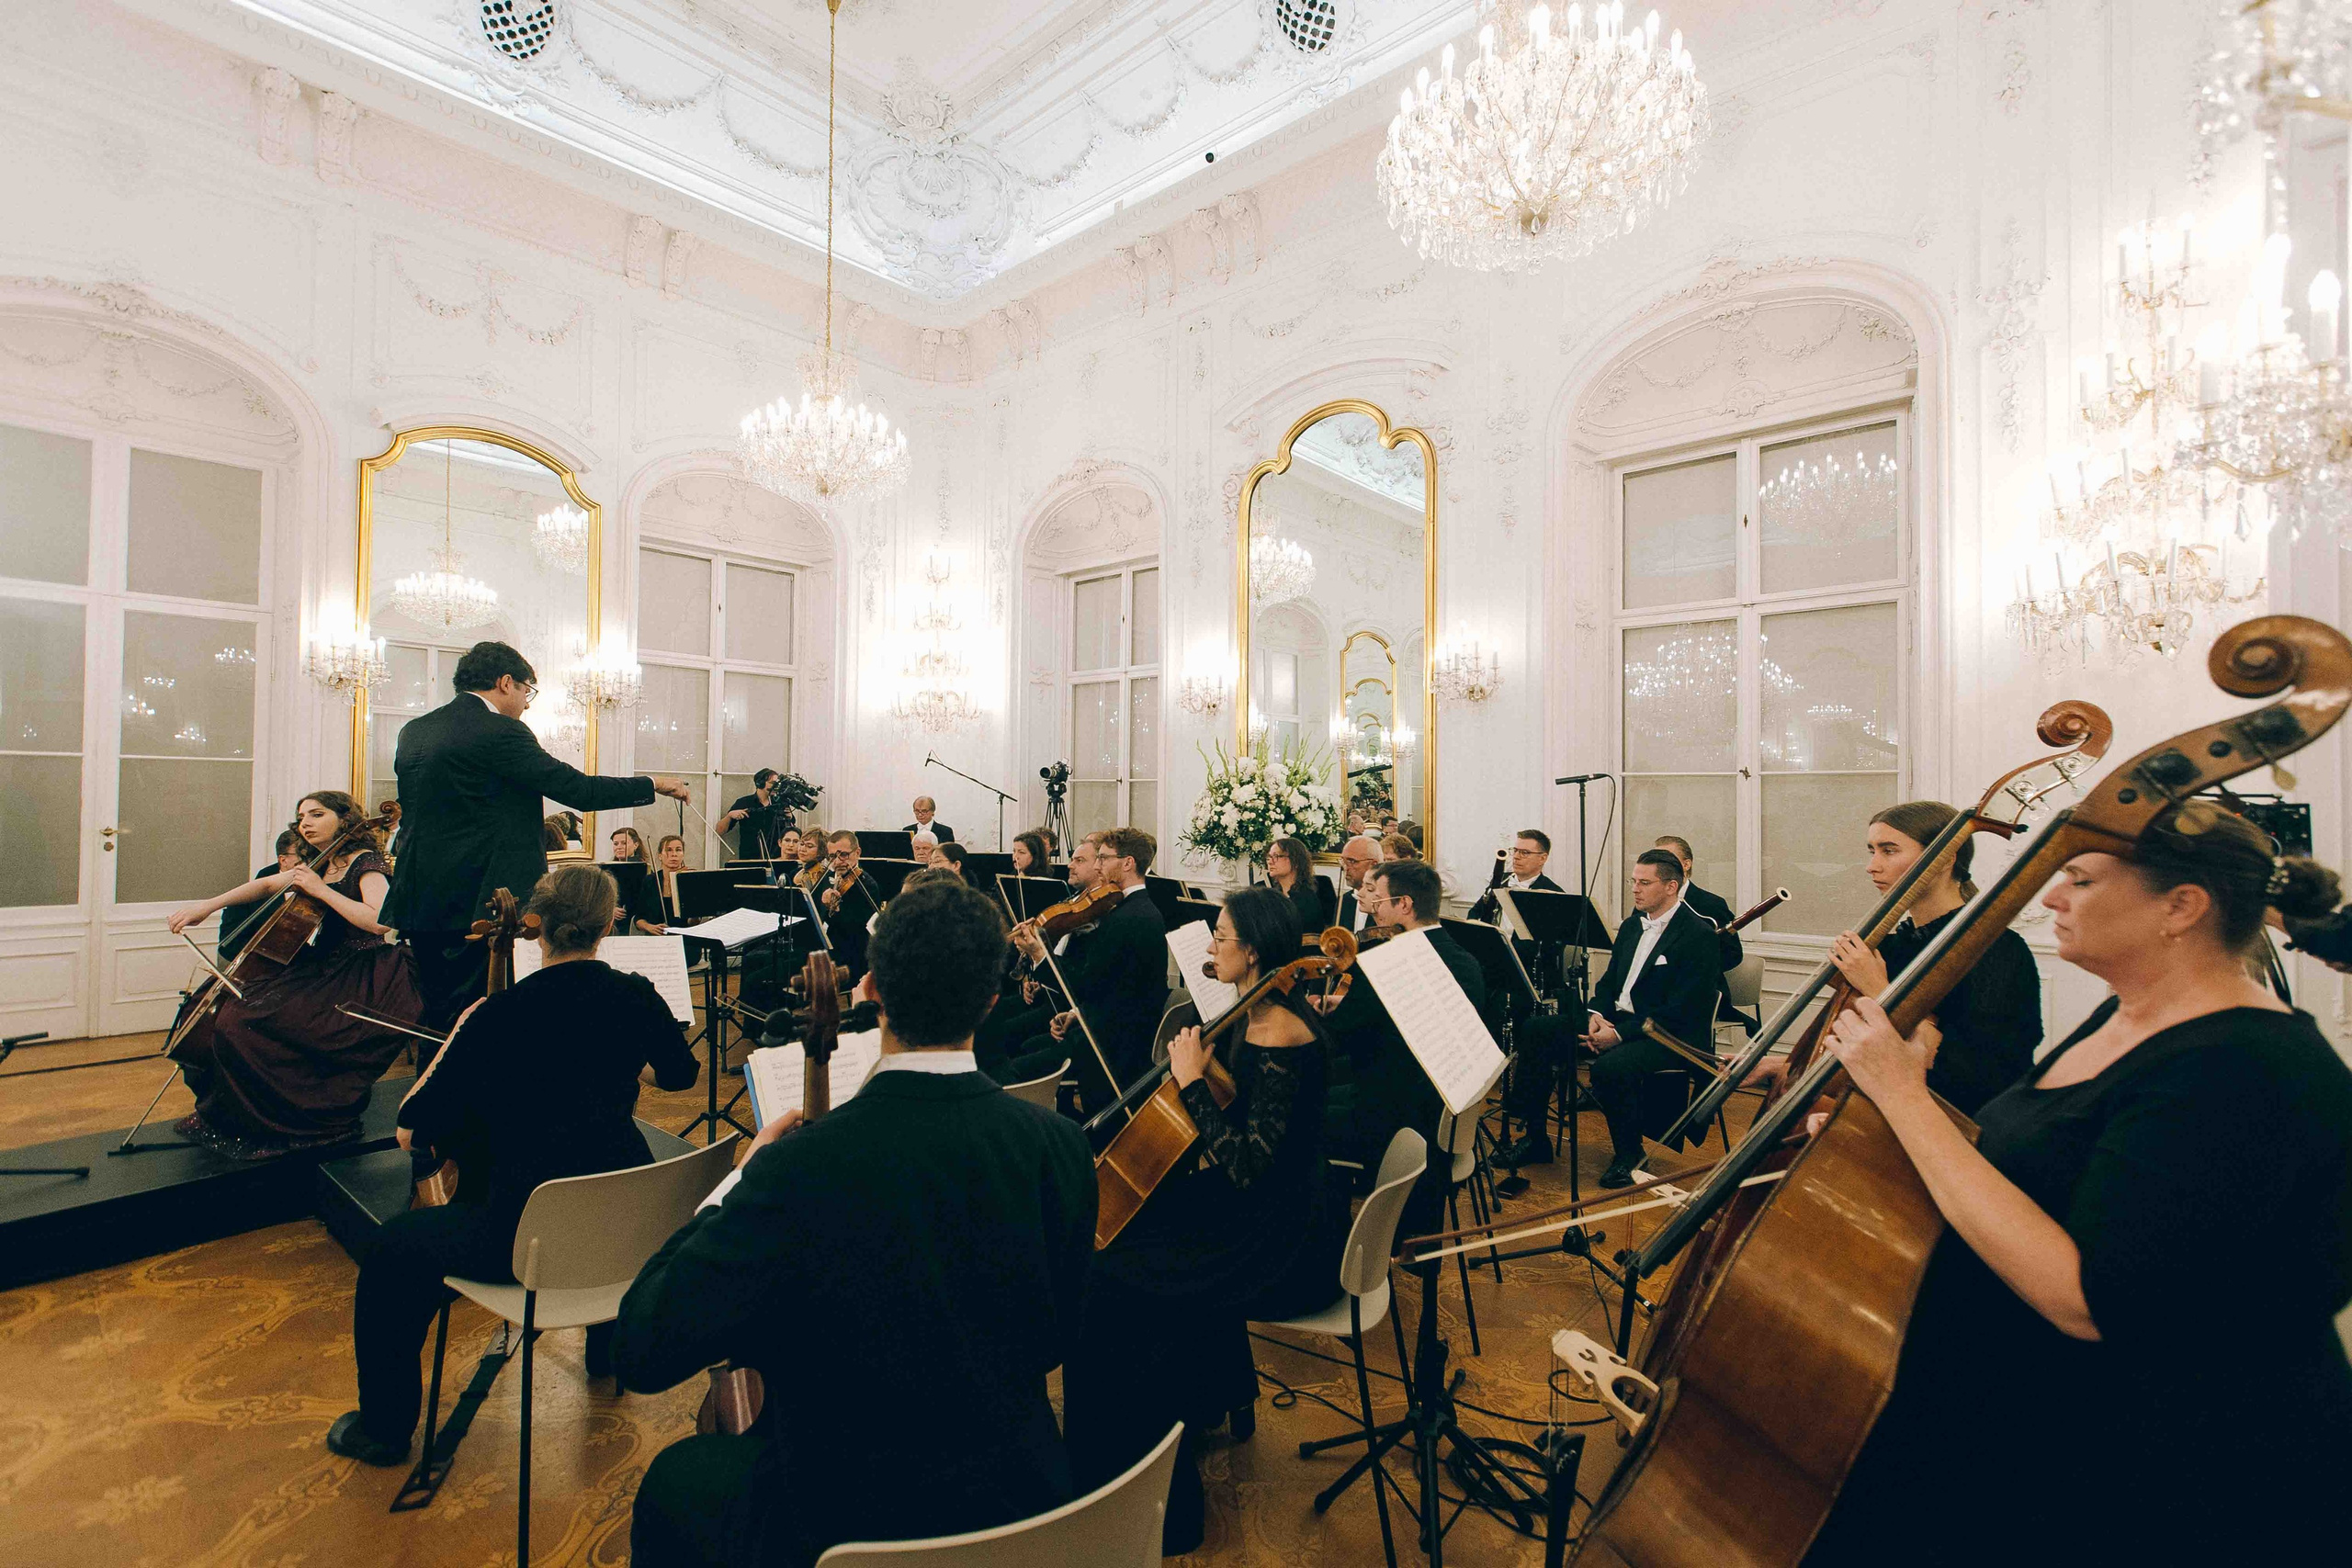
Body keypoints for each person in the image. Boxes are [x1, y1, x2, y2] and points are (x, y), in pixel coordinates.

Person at [1804, 802, 2352, 1566]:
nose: (2053, 897)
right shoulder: (2126, 1017)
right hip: (2040, 1421)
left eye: (2082, 879)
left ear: (2181, 907)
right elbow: (2023, 1164)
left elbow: (2089, 1297)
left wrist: (1902, 1095)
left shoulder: (2243, 1066)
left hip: (2164, 1477)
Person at [616, 879, 1092, 1568]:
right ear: (991, 1000)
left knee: (675, 1482)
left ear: (870, 988)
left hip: (849, 1516)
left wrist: (737, 1180)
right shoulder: (1061, 1145)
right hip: (1019, 1503)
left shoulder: (796, 1169)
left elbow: (643, 1343)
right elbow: (1055, 1338)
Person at [324, 863, 699, 1467]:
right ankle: (603, 1353)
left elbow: (410, 1129)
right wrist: (628, 1062)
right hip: (626, 1231)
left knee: (393, 1252)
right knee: (599, 1175)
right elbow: (679, 1075)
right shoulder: (635, 994)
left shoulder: (497, 1015)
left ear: (537, 926)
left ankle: (384, 1429)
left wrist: (456, 1040)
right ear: (608, 925)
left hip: (525, 1240)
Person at [1063, 886, 1344, 1554]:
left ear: (1253, 951)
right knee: (1135, 1227)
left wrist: (1190, 1079)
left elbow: (1247, 1165)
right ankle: (1200, 1394)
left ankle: (1142, 1477)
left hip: (1278, 1233)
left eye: (1220, 936)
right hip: (1262, 1203)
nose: (1212, 946)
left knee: (1112, 1274)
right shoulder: (1261, 1009)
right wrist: (1204, 1068)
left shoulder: (1279, 1030)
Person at [380, 640, 690, 1029]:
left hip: (420, 901)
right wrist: (654, 783)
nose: (527, 702)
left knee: (438, 1019)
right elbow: (579, 790)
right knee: (482, 1022)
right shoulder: (502, 731)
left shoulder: (415, 730)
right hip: (484, 904)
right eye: (528, 691)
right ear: (507, 682)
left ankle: (435, 1085)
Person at [164, 793, 424, 1161]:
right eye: (302, 816)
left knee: (247, 1023)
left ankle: (288, 1121)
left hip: (362, 971)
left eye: (317, 814)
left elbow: (380, 920)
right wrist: (207, 906)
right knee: (217, 1012)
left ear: (345, 818)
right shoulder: (322, 860)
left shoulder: (365, 863)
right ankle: (229, 1116)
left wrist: (319, 890)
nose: (306, 822)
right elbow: (267, 885)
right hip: (321, 965)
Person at [1748, 802, 2041, 1116]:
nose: (1871, 866)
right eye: (1871, 850)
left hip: (1949, 1129)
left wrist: (1879, 990)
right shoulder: (1894, 945)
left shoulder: (1996, 949)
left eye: (1889, 851)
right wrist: (1788, 1065)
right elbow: (1867, 1049)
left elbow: (1981, 1073)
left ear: (1944, 859)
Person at [1317, 858, 1483, 1233]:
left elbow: (1336, 1040)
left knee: (1300, 1118)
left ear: (1404, 905)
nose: (1373, 909)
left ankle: (1324, 1238)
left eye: (1380, 901)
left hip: (1389, 1120)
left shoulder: (1388, 963)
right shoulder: (1465, 961)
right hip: (1440, 1117)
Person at [1575, 849, 1728, 1188]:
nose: (1635, 889)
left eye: (1645, 882)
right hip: (1618, 1020)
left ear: (1671, 886)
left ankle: (1630, 1156)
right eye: (1634, 881)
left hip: (1669, 1035)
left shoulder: (1698, 935)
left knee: (1611, 1067)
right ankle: (1536, 1138)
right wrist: (1596, 1016)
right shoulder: (1632, 925)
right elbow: (1609, 983)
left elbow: (1682, 1010)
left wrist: (1618, 1036)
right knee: (1541, 1030)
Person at [1006, 828, 1167, 1110]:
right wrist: (1077, 1013)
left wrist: (1040, 954)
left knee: (1012, 1072)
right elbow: (1111, 984)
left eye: (1103, 858)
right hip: (1103, 1026)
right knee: (1025, 1047)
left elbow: (1083, 984)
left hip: (1110, 1046)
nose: (1096, 865)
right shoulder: (1132, 909)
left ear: (1128, 863)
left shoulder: (1128, 918)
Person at [977, 836, 1102, 1078]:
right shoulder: (1074, 901)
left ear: (1099, 866)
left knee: (1000, 1031)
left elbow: (1080, 979)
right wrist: (1034, 980)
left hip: (1065, 1006)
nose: (1070, 865)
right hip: (1050, 994)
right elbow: (1061, 955)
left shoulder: (1100, 912)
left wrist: (1039, 957)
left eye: (1079, 860)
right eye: (1071, 859)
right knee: (986, 1015)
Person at [1653, 833, 1746, 977]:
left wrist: (1693, 967)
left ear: (1686, 864)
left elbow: (1732, 955)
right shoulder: (1649, 902)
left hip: (1698, 988)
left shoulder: (1712, 904)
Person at [215, 829, 304, 961]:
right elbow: (229, 946)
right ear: (283, 860)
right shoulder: (247, 898)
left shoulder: (323, 882)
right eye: (302, 855)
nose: (309, 861)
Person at [818, 830, 884, 978]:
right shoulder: (828, 878)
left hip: (851, 956)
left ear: (857, 853)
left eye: (843, 855)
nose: (837, 861)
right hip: (827, 948)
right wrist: (824, 905)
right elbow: (820, 920)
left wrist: (836, 909)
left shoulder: (867, 884)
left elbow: (859, 933)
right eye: (832, 856)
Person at [1264, 834, 1333, 934]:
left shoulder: (1307, 898)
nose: (1270, 862)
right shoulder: (1270, 894)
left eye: (1276, 856)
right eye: (1269, 857)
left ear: (1295, 861)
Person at [722, 769, 791, 862]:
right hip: (750, 858)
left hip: (777, 858)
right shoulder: (743, 803)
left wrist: (790, 818)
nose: (776, 787)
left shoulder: (781, 803)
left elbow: (791, 831)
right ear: (760, 784)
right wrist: (729, 816)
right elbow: (720, 830)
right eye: (772, 783)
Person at [1335, 834, 1383, 931]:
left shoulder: (1386, 901)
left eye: (1352, 861)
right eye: (1343, 861)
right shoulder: (1345, 899)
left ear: (1373, 865)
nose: (1345, 868)